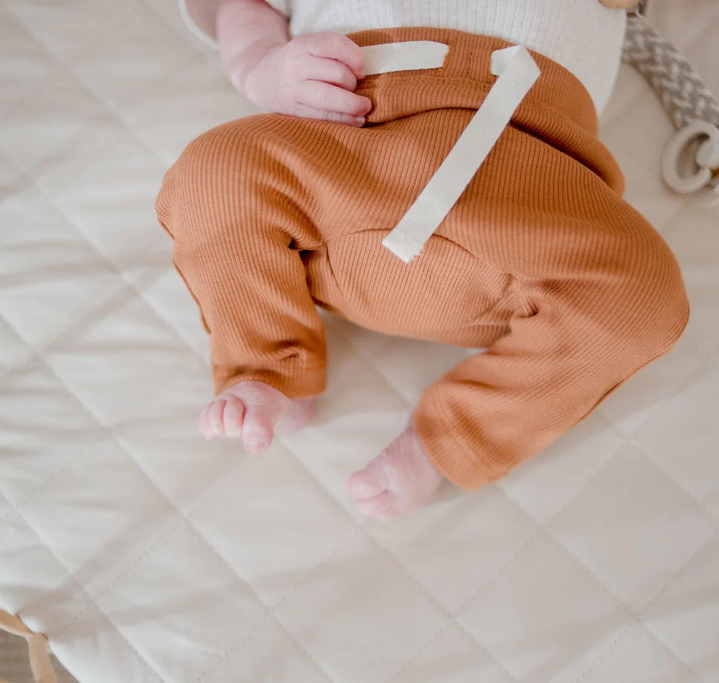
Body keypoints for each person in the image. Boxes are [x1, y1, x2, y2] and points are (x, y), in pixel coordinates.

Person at [155, 0, 688, 522]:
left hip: (531, 188)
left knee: (644, 294)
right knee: (214, 173)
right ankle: (268, 364)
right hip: (351, 144)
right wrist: (263, 67)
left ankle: (452, 436)